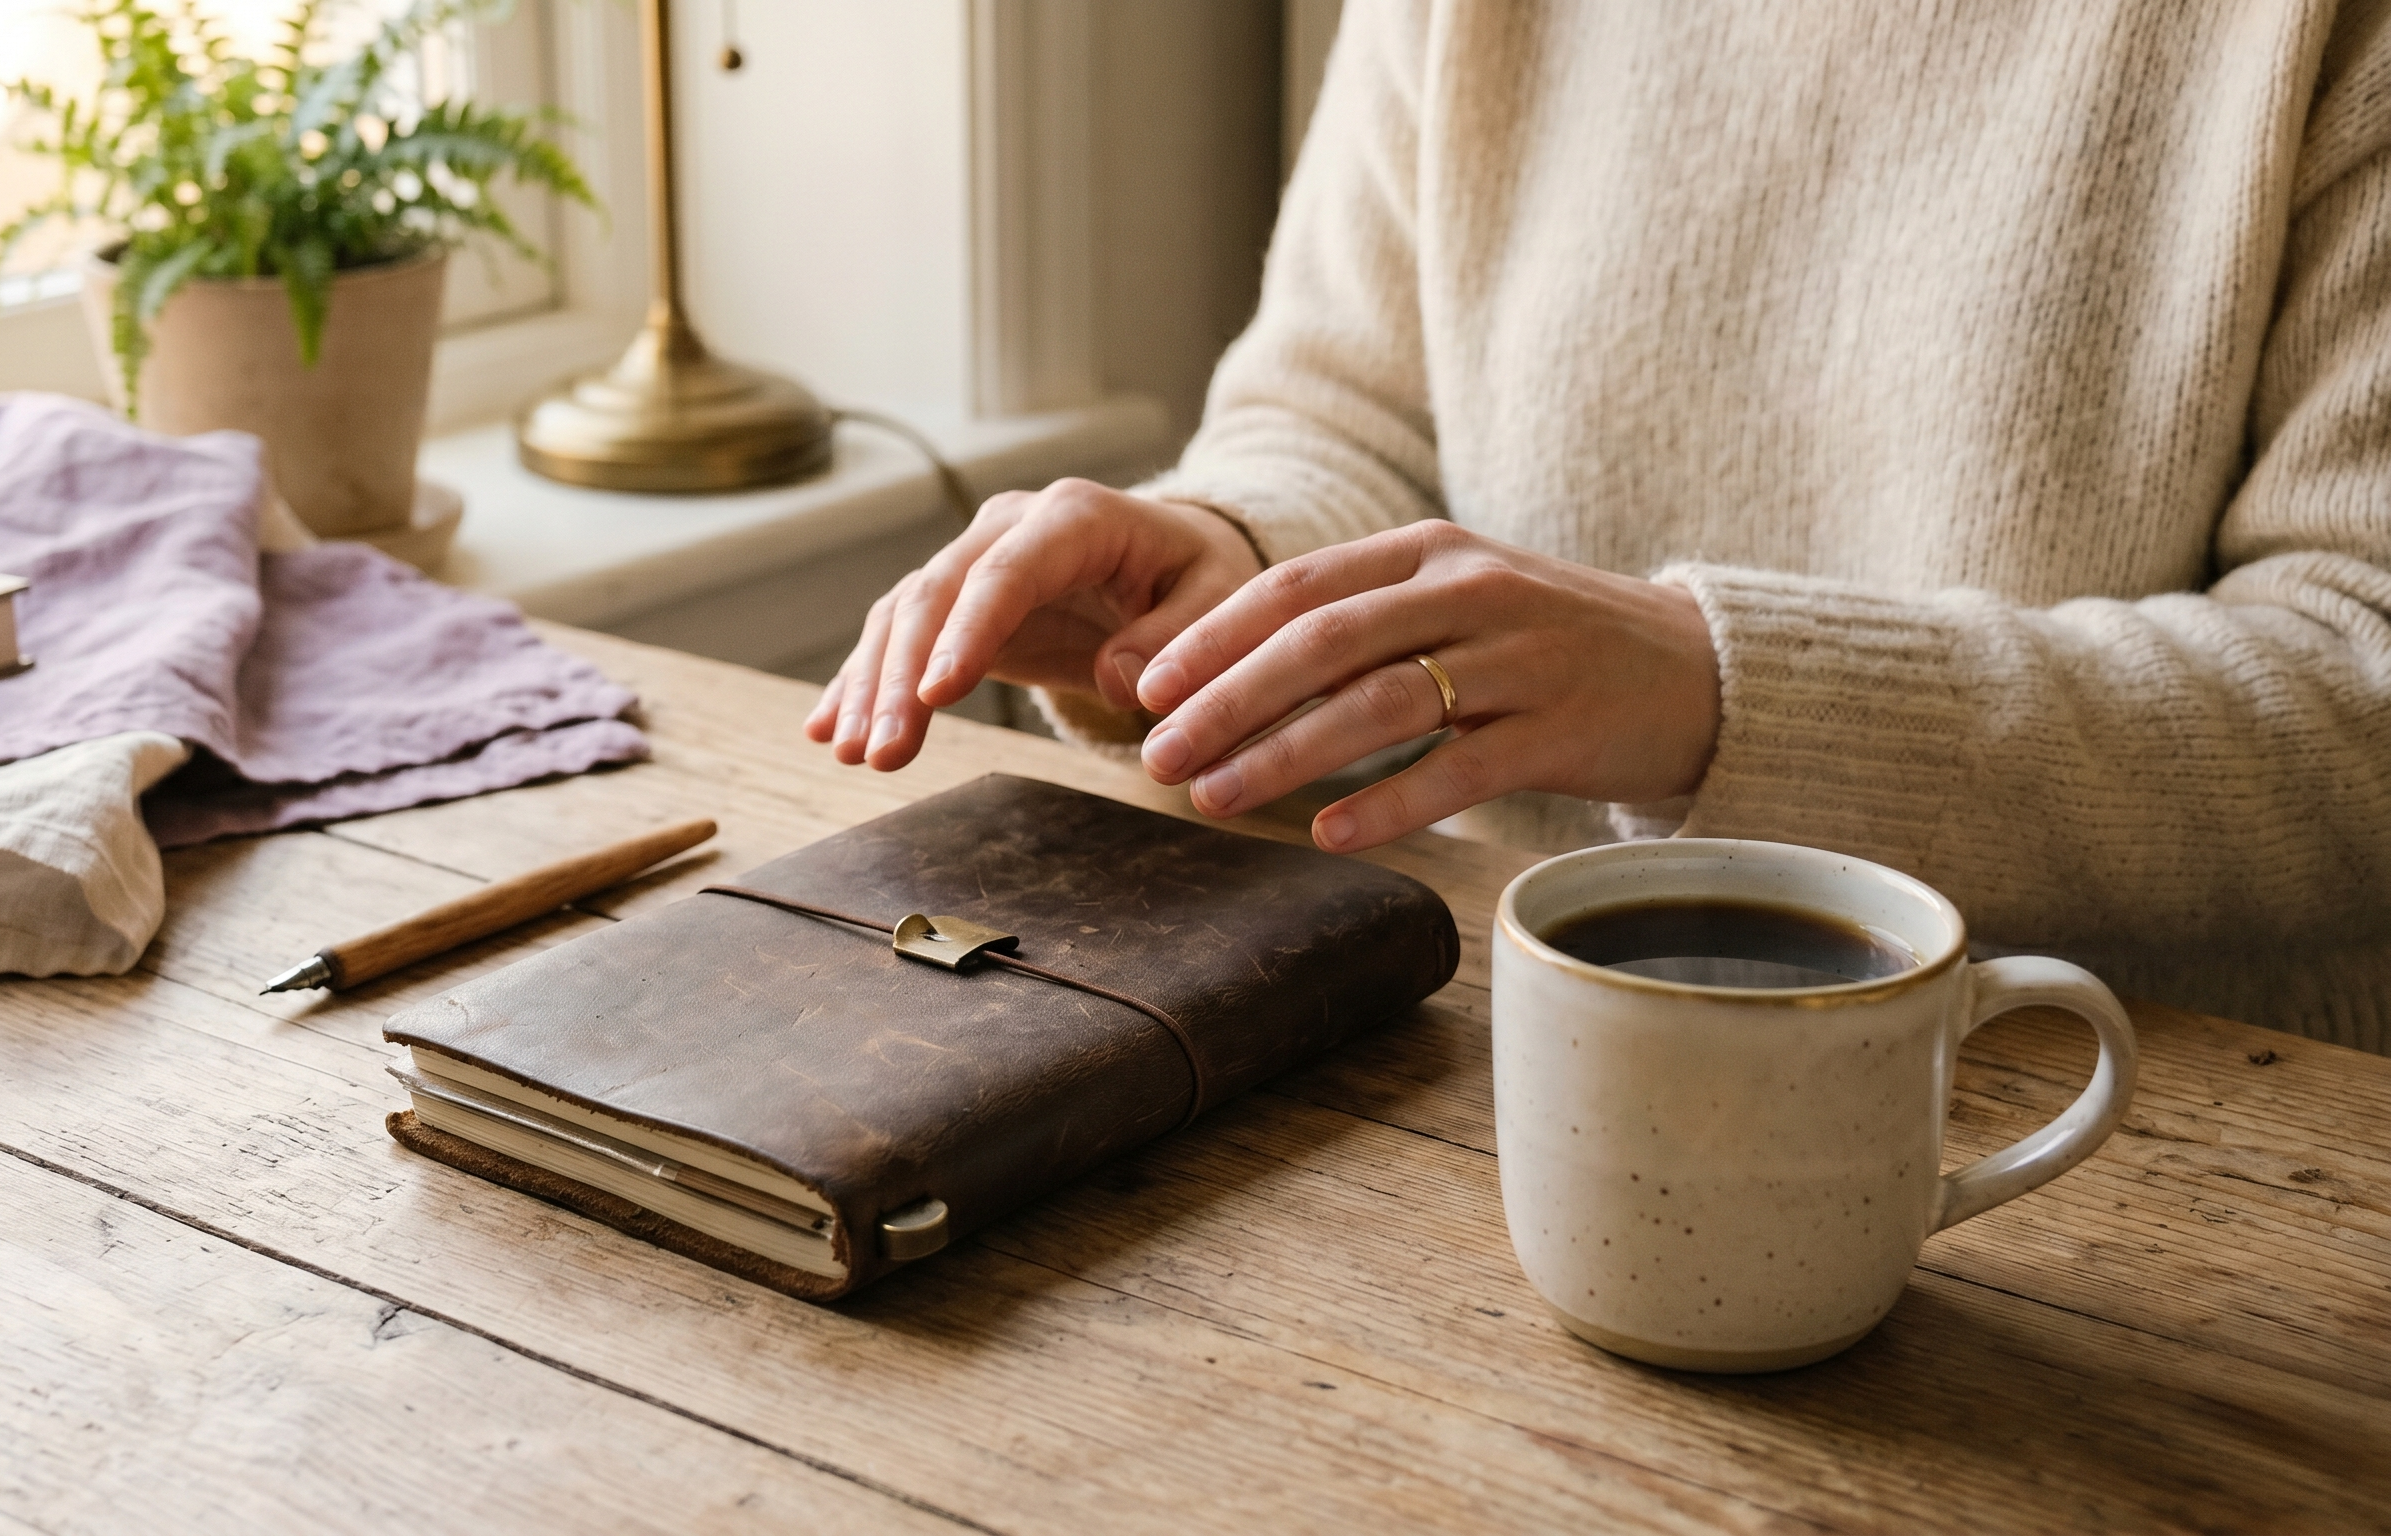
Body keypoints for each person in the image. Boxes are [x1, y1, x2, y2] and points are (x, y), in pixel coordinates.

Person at [805, 1, 2391, 1055]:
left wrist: (1715, 688)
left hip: (2127, 1119)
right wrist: (1231, 573)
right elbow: (1347, 411)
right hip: (1489, 1034)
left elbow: (2363, 680)